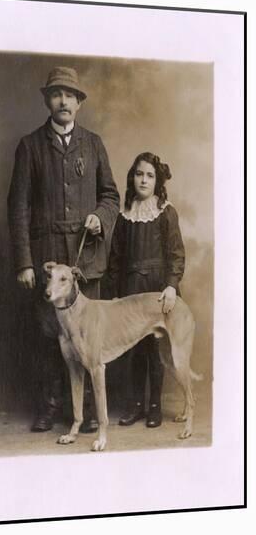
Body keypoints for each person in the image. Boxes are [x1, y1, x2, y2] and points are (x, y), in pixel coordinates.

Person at [7, 66, 120, 433]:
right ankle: (49, 407)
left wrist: (100, 217)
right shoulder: (30, 145)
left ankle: (87, 411)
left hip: (86, 259)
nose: (63, 101)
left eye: (70, 95)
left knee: (89, 339)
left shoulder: (94, 143)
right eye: (56, 94)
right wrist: (25, 262)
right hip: (48, 260)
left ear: (79, 103)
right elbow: (18, 206)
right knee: (48, 337)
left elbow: (111, 196)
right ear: (47, 101)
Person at [108, 152, 185, 428]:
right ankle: (136, 405)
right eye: (139, 174)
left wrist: (171, 286)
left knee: (155, 349)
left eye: (150, 175)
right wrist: (116, 294)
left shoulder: (165, 212)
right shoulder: (124, 214)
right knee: (134, 349)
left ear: (158, 181)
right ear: (132, 178)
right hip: (130, 290)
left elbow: (176, 254)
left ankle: (155, 405)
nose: (144, 180)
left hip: (156, 288)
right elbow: (115, 259)